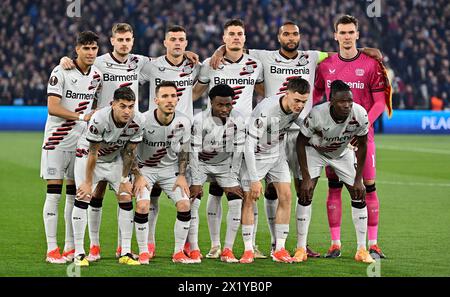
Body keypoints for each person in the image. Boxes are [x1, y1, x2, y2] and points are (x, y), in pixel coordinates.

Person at [209, 21, 382, 257]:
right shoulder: (264, 56)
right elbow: (236, 47)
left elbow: (338, 52)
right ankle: (270, 244)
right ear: (279, 36)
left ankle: (302, 244)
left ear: (300, 36)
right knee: (267, 190)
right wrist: (219, 50)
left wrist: (363, 52)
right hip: (271, 135)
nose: (291, 37)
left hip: (302, 131)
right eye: (286, 34)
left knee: (301, 188)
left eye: (295, 33)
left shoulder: (311, 56)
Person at [60, 23, 198, 260]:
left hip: (123, 131)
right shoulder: (100, 61)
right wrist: (67, 60)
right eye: (119, 39)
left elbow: (169, 58)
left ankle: (123, 248)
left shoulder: (140, 62)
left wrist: (185, 53)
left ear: (132, 41)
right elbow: (81, 62)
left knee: (123, 193)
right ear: (112, 41)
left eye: (128, 40)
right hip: (101, 127)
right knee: (94, 193)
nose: (124, 43)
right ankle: (91, 246)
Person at [313, 15, 391, 259]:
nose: (346, 37)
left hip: (361, 138)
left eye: (350, 32)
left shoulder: (371, 64)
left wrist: (360, 127)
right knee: (334, 187)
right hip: (333, 140)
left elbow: (379, 103)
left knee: (369, 187)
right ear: (335, 36)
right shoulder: (325, 66)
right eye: (342, 32)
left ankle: (373, 244)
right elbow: (316, 97)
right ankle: (335, 243)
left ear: (357, 34)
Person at [192, 18, 265, 259]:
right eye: (231, 34)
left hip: (244, 134)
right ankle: (215, 245)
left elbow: (265, 93)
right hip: (214, 134)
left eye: (239, 34)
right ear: (223, 38)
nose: (235, 37)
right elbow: (195, 93)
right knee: (215, 189)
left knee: (246, 191)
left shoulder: (255, 64)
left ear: (245, 38)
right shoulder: (210, 64)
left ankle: (249, 243)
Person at [296, 79, 375, 264]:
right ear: (331, 101)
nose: (347, 105)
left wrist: (358, 179)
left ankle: (362, 250)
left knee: (359, 193)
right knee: (306, 193)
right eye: (342, 101)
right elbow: (300, 142)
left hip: (342, 153)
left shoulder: (360, 114)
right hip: (315, 151)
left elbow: (363, 145)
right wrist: (306, 177)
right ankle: (300, 248)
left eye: (349, 100)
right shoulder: (317, 114)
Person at [139, 25, 201, 259]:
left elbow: (203, 83)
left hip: (182, 134)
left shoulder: (194, 66)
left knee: (190, 195)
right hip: (155, 132)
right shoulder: (151, 65)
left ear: (186, 44)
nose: (177, 43)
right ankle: (149, 244)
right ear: (165, 42)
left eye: (181, 40)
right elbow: (126, 74)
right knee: (149, 197)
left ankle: (190, 245)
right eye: (172, 39)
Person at [41, 31, 101, 264]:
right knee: (54, 194)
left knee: (75, 195)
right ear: (77, 49)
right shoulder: (61, 71)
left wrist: (88, 120)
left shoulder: (96, 75)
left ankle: (69, 247)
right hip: (56, 140)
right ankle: (51, 249)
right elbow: (53, 107)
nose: (90, 52)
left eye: (94, 48)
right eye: (85, 48)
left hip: (80, 141)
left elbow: (95, 104)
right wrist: (82, 116)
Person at [240, 77, 309, 264]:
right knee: (249, 199)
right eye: (297, 100)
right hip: (255, 157)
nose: (300, 105)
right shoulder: (266, 111)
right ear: (286, 94)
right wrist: (254, 178)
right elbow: (248, 145)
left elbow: (303, 124)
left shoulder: (295, 109)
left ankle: (279, 248)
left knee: (286, 196)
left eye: (304, 101)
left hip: (276, 158)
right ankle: (248, 249)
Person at [72, 86, 144, 266]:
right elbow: (93, 153)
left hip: (114, 159)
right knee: (83, 196)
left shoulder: (138, 120)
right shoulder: (99, 119)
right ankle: (79, 253)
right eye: (122, 106)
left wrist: (124, 179)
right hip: (88, 156)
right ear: (113, 105)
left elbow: (129, 152)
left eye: (131, 106)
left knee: (126, 197)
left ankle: (125, 251)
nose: (127, 111)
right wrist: (88, 182)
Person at [132, 81, 194, 264]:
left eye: (173, 96)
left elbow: (184, 150)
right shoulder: (142, 120)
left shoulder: (183, 121)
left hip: (170, 170)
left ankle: (178, 253)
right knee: (142, 206)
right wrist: (137, 175)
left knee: (184, 205)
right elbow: (130, 150)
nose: (170, 100)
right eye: (165, 96)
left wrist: (182, 175)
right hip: (145, 169)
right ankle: (144, 252)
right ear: (156, 100)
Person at [190, 84, 246, 263]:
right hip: (201, 164)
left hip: (224, 165)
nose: (224, 109)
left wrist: (234, 177)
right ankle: (196, 249)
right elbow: (193, 151)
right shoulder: (199, 120)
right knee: (192, 201)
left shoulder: (238, 120)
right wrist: (196, 180)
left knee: (236, 200)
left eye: (228, 105)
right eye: (219, 105)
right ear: (211, 103)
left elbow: (238, 151)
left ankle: (227, 250)